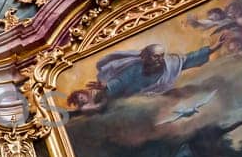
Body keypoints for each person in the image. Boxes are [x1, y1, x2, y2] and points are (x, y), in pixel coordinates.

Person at [68, 43, 215, 114]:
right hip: (125, 99)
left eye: (161, 55)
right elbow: (121, 81)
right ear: (145, 57)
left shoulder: (169, 63)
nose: (160, 59)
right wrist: (107, 86)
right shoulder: (135, 69)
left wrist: (211, 49)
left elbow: (186, 59)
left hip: (151, 98)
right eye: (156, 56)